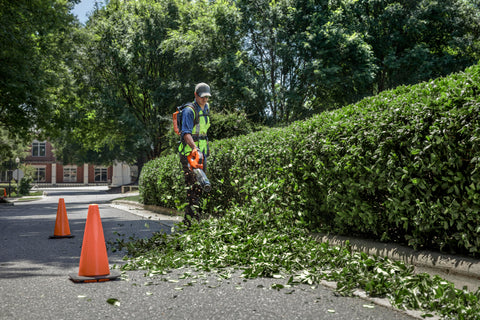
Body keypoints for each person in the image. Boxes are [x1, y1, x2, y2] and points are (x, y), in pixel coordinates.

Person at [178, 82, 211, 226]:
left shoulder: (206, 108)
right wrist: (195, 149)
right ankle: (192, 221)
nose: (205, 100)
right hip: (189, 154)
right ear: (196, 95)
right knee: (193, 187)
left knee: (202, 186)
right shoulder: (189, 111)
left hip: (202, 153)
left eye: (207, 97)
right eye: (202, 97)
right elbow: (186, 133)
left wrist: (202, 151)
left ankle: (192, 218)